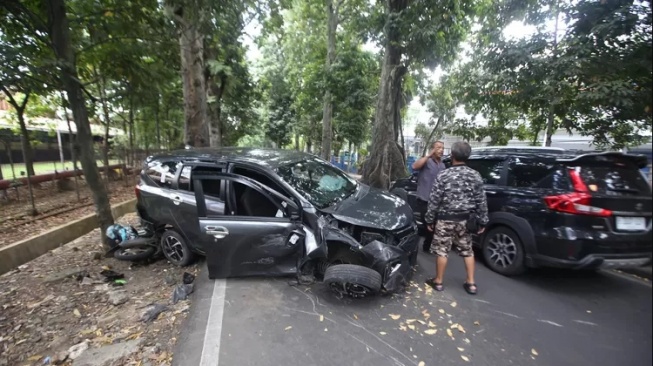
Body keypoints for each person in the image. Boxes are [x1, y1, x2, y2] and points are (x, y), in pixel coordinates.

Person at [423, 141, 488, 295]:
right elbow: (481, 200)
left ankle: (438, 281)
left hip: (445, 219)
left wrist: (429, 219)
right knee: (468, 250)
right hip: (465, 221)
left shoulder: (444, 175)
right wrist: (483, 220)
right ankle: (471, 283)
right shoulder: (475, 175)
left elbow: (434, 199)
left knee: (442, 251)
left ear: (452, 155)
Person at [411, 141, 446, 252]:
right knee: (428, 224)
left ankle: (427, 246)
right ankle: (418, 244)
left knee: (434, 225)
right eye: (438, 147)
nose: (441, 150)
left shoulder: (443, 165)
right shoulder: (427, 161)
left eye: (442, 148)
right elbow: (415, 166)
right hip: (424, 198)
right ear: (432, 149)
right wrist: (428, 155)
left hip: (437, 201)